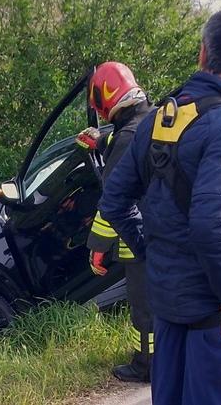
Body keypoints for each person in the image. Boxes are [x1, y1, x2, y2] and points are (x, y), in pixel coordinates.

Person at [99, 8, 221, 405]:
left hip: (167, 305)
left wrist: (150, 252)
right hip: (213, 311)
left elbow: (114, 201)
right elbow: (211, 225)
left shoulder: (157, 118)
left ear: (202, 53)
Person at [77, 61, 155, 382]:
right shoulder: (155, 120)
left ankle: (147, 367)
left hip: (140, 239)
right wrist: (99, 141)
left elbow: (113, 204)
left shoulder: (125, 139)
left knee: (144, 310)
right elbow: (128, 141)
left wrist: (97, 248)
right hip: (172, 233)